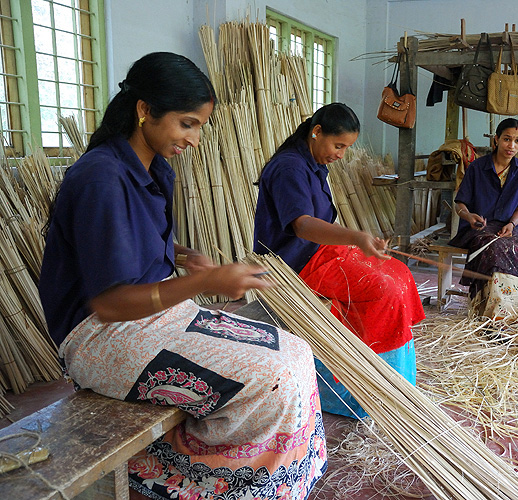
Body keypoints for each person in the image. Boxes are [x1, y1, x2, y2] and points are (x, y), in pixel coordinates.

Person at [38, 52, 326, 500]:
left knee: (296, 353)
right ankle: (198, 477)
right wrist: (205, 283)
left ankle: (263, 482)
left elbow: (122, 239)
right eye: (186, 123)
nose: (194, 139)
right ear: (144, 110)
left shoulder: (152, 168)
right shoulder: (100, 178)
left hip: (156, 320)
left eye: (199, 127)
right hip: (100, 338)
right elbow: (110, 304)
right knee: (275, 380)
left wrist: (180, 254)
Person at [254, 102, 425, 419]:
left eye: (347, 147)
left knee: (399, 274)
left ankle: (394, 382)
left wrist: (359, 242)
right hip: (297, 263)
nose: (341, 154)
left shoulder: (311, 161)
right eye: (339, 145)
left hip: (321, 253)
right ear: (316, 132)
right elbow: (302, 226)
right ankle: (360, 390)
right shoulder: (289, 167)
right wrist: (357, 238)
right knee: (384, 289)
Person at [448, 118, 518, 319]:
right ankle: (485, 309)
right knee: (493, 248)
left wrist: (512, 224)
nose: (511, 146)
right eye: (506, 139)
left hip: (510, 226)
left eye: (517, 141)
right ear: (496, 139)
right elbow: (460, 204)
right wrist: (469, 217)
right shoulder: (477, 167)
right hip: (478, 227)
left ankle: (508, 313)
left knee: (513, 248)